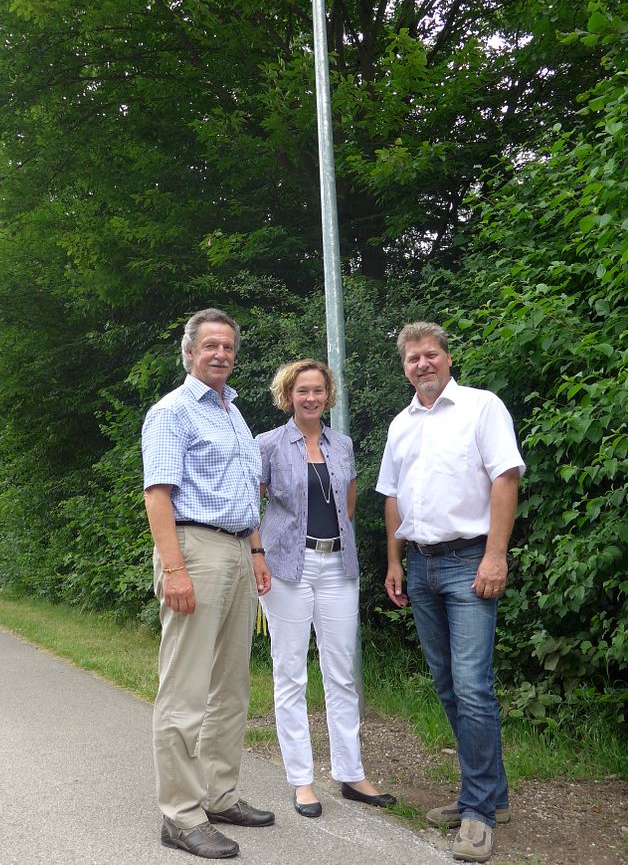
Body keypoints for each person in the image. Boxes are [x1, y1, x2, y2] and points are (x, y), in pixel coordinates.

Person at [376, 322, 525, 864]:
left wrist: (495, 555)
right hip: (421, 565)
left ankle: (479, 814)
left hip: (469, 561)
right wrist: (394, 561)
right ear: (404, 366)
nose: (422, 364)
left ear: (447, 357)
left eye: (430, 355)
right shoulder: (400, 424)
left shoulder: (482, 407)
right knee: (447, 685)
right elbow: (392, 495)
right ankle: (490, 795)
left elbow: (505, 478)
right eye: (413, 358)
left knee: (473, 685)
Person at [141, 308, 274, 860]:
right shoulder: (173, 412)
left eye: (228, 347)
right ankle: (179, 814)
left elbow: (245, 491)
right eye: (210, 346)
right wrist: (174, 568)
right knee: (186, 689)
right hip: (194, 550)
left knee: (230, 686)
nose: (220, 354)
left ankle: (218, 794)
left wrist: (257, 550)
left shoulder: (233, 411)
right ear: (190, 353)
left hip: (238, 550)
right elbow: (158, 495)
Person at [256, 359, 396, 819]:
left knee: (341, 672)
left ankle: (351, 773)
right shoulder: (269, 445)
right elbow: (249, 501)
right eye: (302, 391)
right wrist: (259, 554)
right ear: (288, 396)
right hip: (286, 570)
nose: (311, 398)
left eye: (318, 390)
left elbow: (349, 503)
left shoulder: (343, 444)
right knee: (291, 674)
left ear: (327, 394)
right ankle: (301, 781)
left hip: (338, 564)